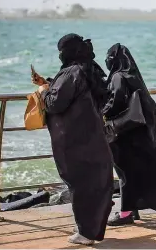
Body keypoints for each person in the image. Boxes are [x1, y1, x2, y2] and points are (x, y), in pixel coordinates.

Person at [36, 33, 114, 245]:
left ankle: (86, 233)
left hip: (76, 139)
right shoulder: (91, 69)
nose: (60, 55)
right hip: (94, 136)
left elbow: (55, 103)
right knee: (95, 182)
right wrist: (51, 83)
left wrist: (43, 91)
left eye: (62, 51)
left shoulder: (72, 72)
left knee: (80, 183)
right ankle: (89, 227)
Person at [102, 43, 156, 226]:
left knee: (126, 173)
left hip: (124, 135)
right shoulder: (134, 77)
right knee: (133, 172)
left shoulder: (118, 77)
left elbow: (115, 102)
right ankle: (131, 210)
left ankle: (126, 214)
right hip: (139, 136)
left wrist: (101, 110)